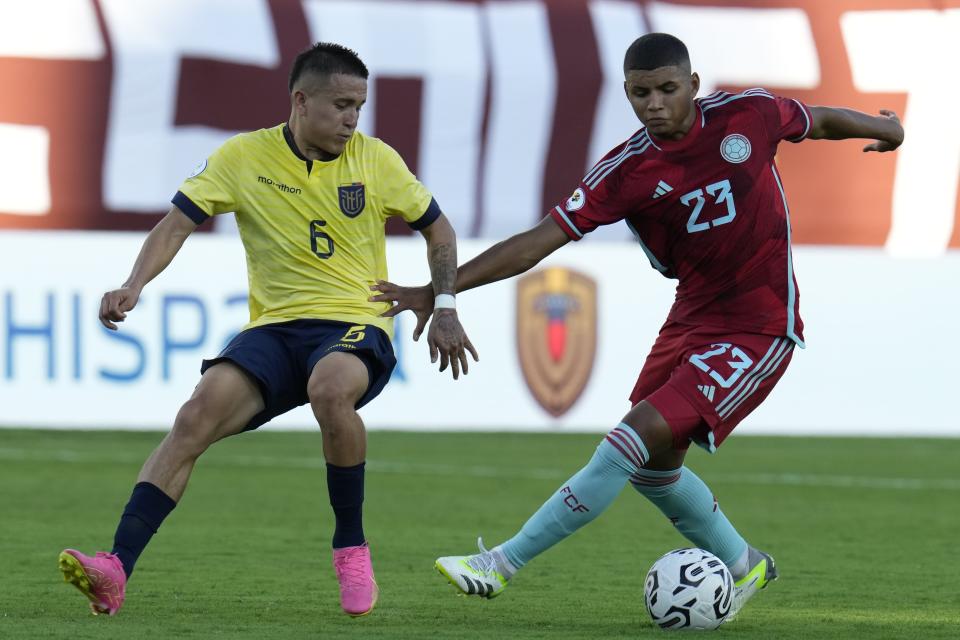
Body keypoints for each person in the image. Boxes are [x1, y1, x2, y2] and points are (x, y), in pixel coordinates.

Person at [371, 33, 903, 619]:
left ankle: (499, 565)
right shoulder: (626, 171)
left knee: (626, 443)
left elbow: (819, 120)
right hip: (691, 318)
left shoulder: (747, 115)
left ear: (693, 86)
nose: (654, 103)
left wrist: (885, 130)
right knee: (653, 469)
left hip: (759, 325)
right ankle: (742, 560)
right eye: (639, 93)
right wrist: (442, 290)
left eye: (667, 89)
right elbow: (536, 242)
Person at [58, 42, 477, 618]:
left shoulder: (376, 160)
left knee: (330, 389)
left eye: (360, 105)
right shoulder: (242, 156)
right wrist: (135, 284)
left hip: (357, 321)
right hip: (277, 329)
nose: (352, 119)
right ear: (301, 101)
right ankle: (115, 568)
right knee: (193, 417)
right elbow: (176, 224)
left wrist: (446, 304)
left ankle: (351, 546)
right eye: (341, 105)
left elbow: (440, 230)